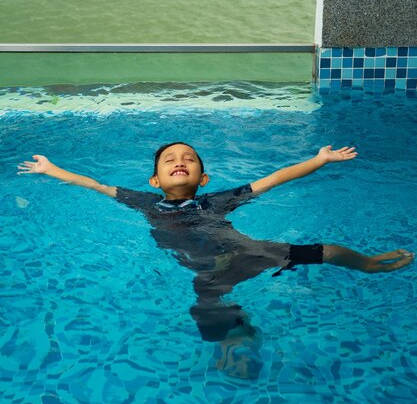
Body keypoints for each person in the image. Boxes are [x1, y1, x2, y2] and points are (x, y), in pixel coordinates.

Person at [18, 142, 414, 379]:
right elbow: (97, 185)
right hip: (208, 271)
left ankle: (366, 263)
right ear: (155, 180)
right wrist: (52, 170)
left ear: (203, 178)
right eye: (170, 159)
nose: (179, 161)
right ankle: (234, 341)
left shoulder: (218, 200)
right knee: (205, 306)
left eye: (189, 159)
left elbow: (275, 178)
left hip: (248, 253)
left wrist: (319, 160)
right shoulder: (144, 203)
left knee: (324, 251)